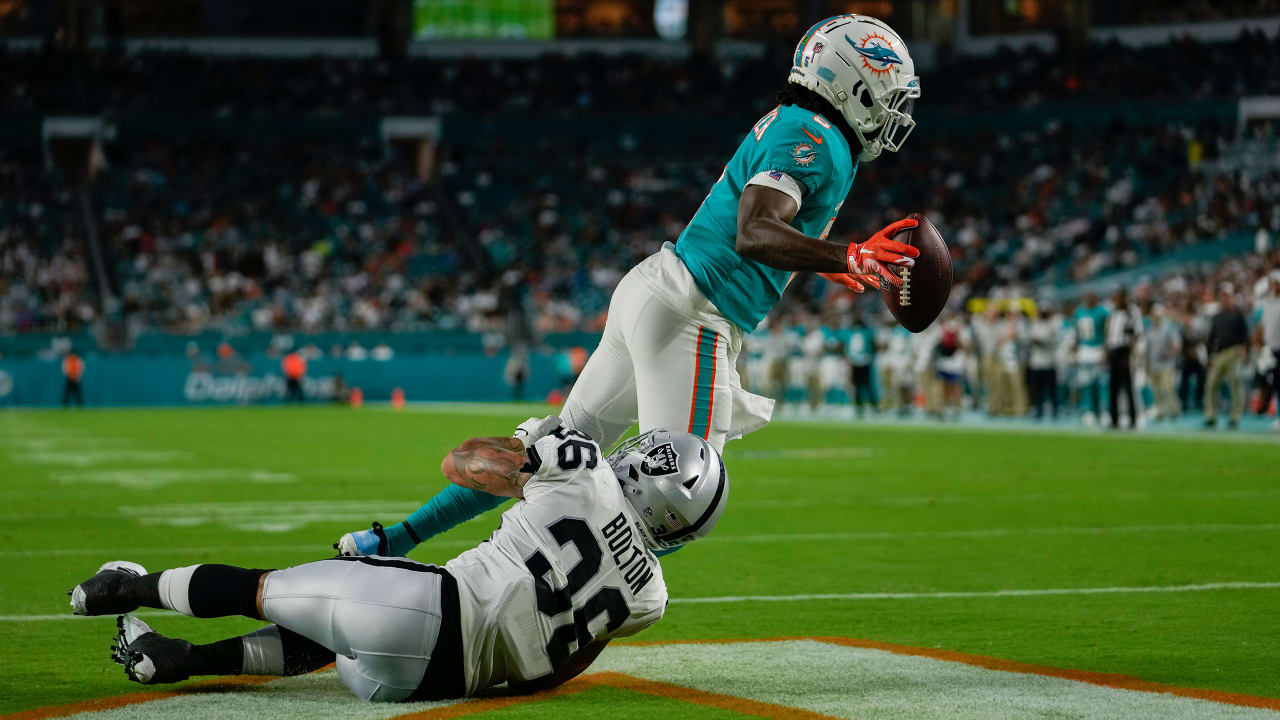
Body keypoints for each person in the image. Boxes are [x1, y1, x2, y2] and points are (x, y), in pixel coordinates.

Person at [336, 14, 922, 558]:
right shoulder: (817, 135)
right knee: (680, 498)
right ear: (854, 84)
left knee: (555, 451)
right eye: (890, 96)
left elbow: (759, 231)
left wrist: (835, 258)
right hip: (694, 315)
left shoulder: (802, 127)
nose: (895, 113)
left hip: (659, 293)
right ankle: (510, 584)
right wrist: (848, 253)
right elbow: (754, 231)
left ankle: (391, 540)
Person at [69, 421, 727, 702]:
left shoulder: (582, 468)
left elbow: (460, 461)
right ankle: (185, 658)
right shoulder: (651, 599)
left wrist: (520, 471)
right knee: (332, 637)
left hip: (427, 610)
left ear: (649, 465)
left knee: (259, 588)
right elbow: (554, 671)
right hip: (431, 685)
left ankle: (126, 588)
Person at [1204, 286, 1250, 428]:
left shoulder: (1237, 314)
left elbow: (1245, 334)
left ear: (1231, 297)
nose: (1225, 299)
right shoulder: (1217, 317)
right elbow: (1211, 338)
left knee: (1235, 384)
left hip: (1235, 351)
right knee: (1211, 384)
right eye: (1223, 296)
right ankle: (1211, 415)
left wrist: (1245, 350)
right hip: (1220, 353)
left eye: (1227, 296)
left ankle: (1235, 416)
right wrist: (1210, 355)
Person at [1104, 288, 1141, 430]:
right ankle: (1114, 420)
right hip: (1113, 350)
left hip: (1124, 351)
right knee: (1113, 388)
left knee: (1128, 388)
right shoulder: (1112, 314)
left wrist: (1128, 355)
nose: (1116, 301)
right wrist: (1107, 352)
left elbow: (1135, 335)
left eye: (1118, 298)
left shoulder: (1130, 313)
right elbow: (1108, 334)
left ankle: (1132, 420)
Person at [1073, 293, 1109, 426]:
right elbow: (1076, 332)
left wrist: (1106, 349)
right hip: (1084, 351)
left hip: (1098, 349)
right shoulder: (1079, 312)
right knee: (1086, 384)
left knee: (1102, 384)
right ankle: (1088, 411)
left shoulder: (1103, 312)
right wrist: (1075, 347)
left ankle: (1104, 410)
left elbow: (1107, 331)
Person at [1146, 305, 1182, 421]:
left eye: (1157, 316)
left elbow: (1177, 345)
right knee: (1156, 391)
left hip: (1166, 365)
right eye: (1154, 316)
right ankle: (1160, 411)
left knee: (1167, 388)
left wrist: (1169, 353)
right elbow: (1148, 349)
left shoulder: (1168, 330)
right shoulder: (1150, 331)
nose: (1155, 318)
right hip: (1153, 365)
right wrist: (1147, 365)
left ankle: (1174, 410)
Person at [1256, 271, 1280, 429]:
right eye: (1273, 282)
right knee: (1277, 383)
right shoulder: (1268, 303)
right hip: (1272, 349)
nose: (1274, 285)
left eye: (1276, 282)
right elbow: (1263, 326)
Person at [1026, 307, 1059, 420]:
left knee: (1051, 389)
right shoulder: (1034, 325)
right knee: (1037, 389)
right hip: (1036, 362)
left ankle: (1055, 410)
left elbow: (1054, 342)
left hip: (1049, 361)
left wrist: (1041, 342)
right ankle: (1039, 410)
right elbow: (1029, 340)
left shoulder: (1052, 325)